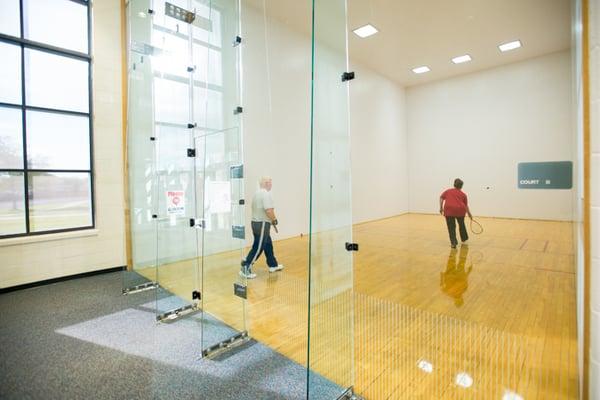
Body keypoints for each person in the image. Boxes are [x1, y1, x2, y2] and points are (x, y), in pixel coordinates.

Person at [240, 177, 284, 279]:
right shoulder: (266, 194)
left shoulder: (257, 193)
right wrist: (274, 219)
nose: (271, 185)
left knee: (267, 244)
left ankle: (273, 265)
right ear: (266, 183)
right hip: (262, 224)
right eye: (270, 183)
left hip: (256, 223)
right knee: (258, 247)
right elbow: (269, 210)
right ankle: (246, 267)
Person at [439, 178, 472, 248]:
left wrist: (441, 207)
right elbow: (466, 205)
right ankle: (464, 238)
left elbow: (441, 198)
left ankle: (453, 243)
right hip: (460, 211)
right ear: (461, 186)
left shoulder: (448, 191)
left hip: (449, 210)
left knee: (451, 227)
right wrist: (469, 214)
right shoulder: (463, 194)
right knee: (461, 224)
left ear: (454, 184)